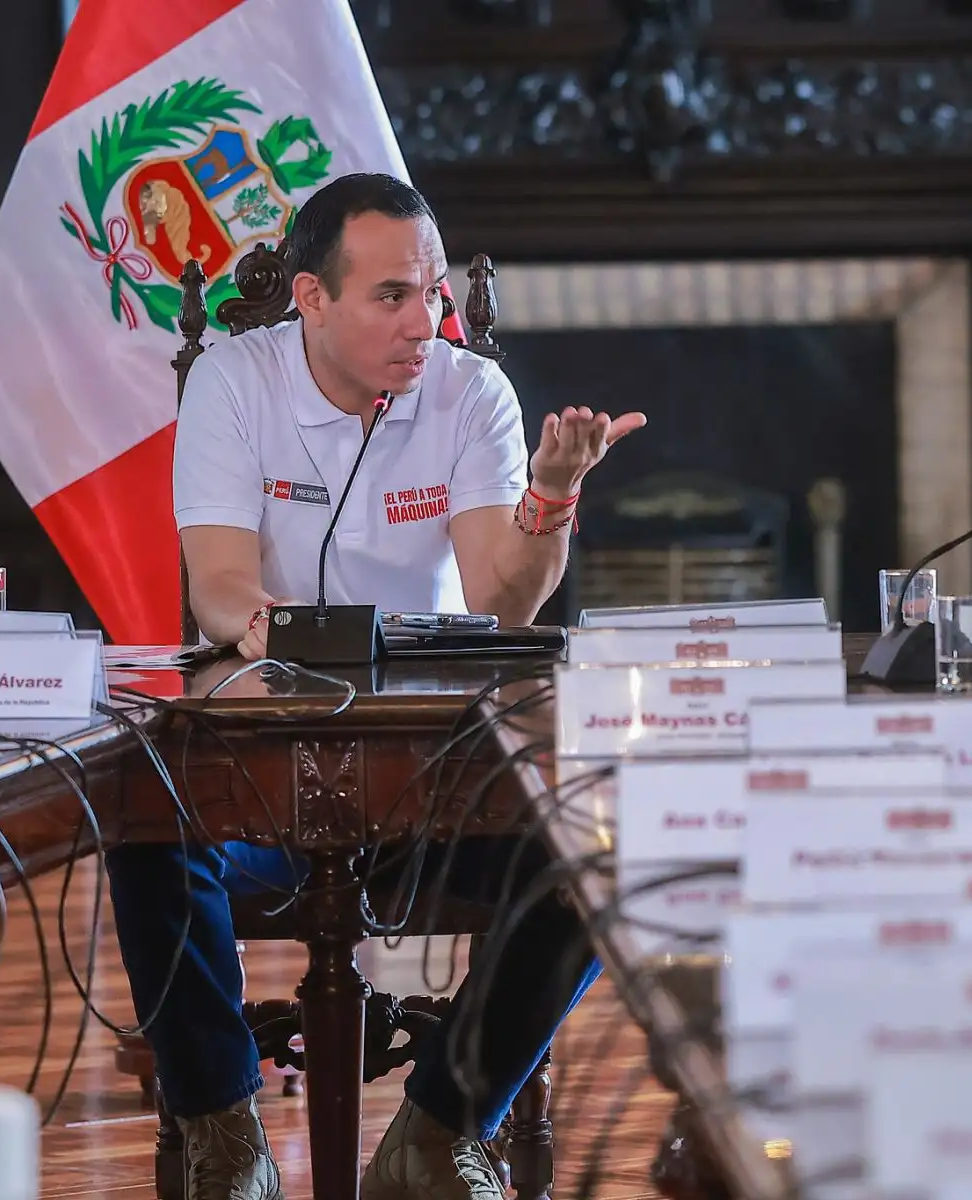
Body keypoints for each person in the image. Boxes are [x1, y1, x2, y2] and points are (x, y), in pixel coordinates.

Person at [111, 173, 638, 1200]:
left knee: (597, 845)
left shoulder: (469, 391)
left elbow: (503, 599)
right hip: (264, 778)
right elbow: (218, 584)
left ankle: (442, 1132)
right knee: (148, 828)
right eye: (393, 294)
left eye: (434, 292)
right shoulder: (233, 379)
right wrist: (290, 640)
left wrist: (552, 494)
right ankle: (225, 1141)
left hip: (434, 785)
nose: (425, 320)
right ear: (310, 297)